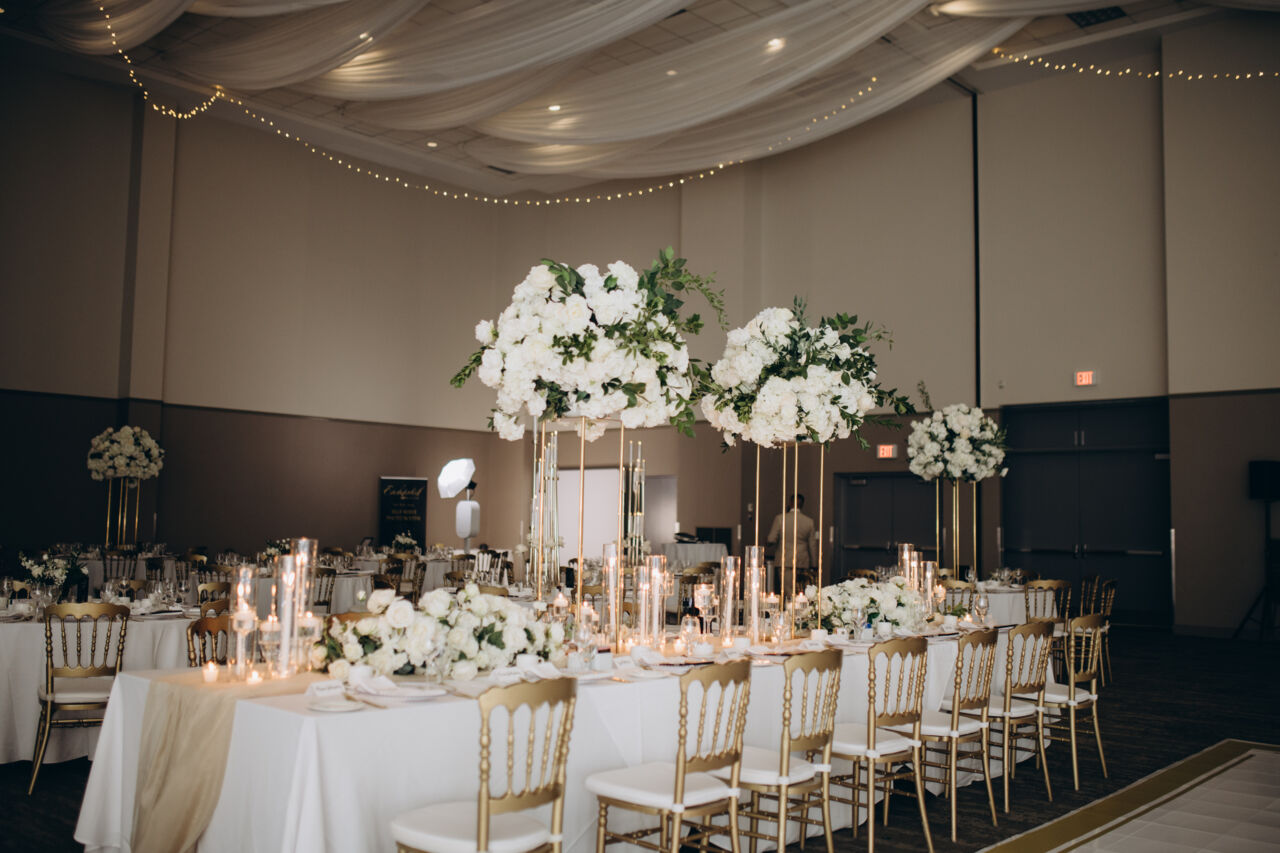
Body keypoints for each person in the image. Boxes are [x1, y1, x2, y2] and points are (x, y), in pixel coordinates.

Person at [767, 494, 817, 570]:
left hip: (784, 561)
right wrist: (814, 564)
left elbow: (771, 539)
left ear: (790, 503)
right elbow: (812, 546)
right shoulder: (809, 522)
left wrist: (767, 542)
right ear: (802, 505)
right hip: (802, 562)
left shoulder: (780, 519)